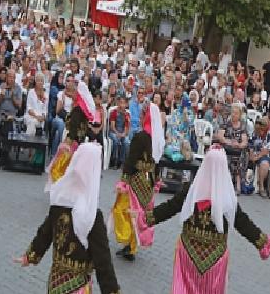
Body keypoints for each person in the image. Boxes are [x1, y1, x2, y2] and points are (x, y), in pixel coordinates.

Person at [146, 147, 270, 293]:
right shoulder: (227, 197)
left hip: (188, 253)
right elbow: (242, 223)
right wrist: (263, 243)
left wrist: (146, 217)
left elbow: (170, 207)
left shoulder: (192, 190)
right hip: (214, 258)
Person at [14, 143, 121, 294]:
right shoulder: (92, 215)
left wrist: (30, 256)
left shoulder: (60, 200)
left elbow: (45, 233)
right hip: (78, 287)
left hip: (56, 283)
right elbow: (103, 260)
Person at [111, 103, 165, 261]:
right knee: (140, 211)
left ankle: (129, 243)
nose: (140, 118)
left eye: (142, 116)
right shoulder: (157, 138)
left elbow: (131, 160)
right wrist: (156, 181)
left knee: (125, 210)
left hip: (137, 179)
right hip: (149, 180)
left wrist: (124, 180)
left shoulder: (140, 136)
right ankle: (132, 245)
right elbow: (158, 162)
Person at [45, 81, 95, 190]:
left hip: (72, 141)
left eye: (74, 92)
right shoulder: (82, 109)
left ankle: (59, 190)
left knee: (60, 168)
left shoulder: (78, 110)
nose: (72, 95)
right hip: (79, 142)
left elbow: (74, 127)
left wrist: (68, 142)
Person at [215, 105, 248, 194]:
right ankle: (226, 184)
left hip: (238, 150)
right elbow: (220, 137)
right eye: (233, 113)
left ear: (240, 115)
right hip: (227, 148)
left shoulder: (243, 125)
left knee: (241, 156)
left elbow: (245, 141)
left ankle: (237, 185)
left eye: (236, 113)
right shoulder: (225, 123)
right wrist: (230, 142)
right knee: (225, 156)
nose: (234, 115)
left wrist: (239, 145)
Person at [108, 96, 130, 169]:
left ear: (126, 105)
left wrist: (123, 134)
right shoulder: (114, 112)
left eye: (124, 103)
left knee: (126, 142)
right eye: (120, 103)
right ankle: (114, 160)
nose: (122, 105)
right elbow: (112, 126)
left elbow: (127, 127)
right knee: (116, 140)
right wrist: (117, 133)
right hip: (114, 131)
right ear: (118, 103)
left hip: (122, 132)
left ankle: (122, 161)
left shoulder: (127, 114)